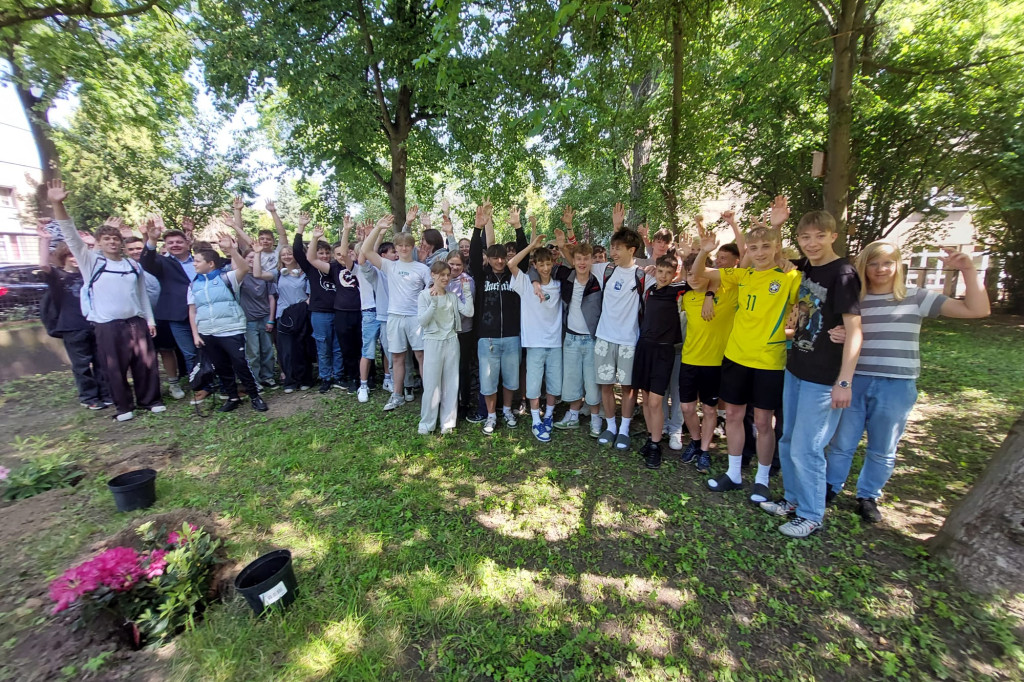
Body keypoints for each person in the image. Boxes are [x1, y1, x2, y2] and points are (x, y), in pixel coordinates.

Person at [823, 241, 990, 523]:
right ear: (863, 266)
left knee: (883, 446)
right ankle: (829, 488)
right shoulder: (854, 299)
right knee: (842, 442)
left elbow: (977, 310)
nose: (880, 269)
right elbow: (837, 331)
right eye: (873, 263)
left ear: (898, 265)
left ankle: (868, 496)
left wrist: (968, 271)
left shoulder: (916, 297)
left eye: (887, 263)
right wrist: (836, 335)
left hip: (896, 384)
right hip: (855, 379)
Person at [757, 209, 863, 538]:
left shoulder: (843, 273)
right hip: (797, 367)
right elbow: (775, 256)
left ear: (833, 236)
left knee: (808, 446)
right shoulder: (804, 268)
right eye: (805, 237)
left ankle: (811, 514)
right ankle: (792, 500)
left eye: (820, 236)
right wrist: (776, 226)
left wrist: (844, 381)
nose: (812, 243)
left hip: (824, 375)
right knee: (789, 439)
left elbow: (854, 331)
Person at [692, 197, 802, 498]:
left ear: (776, 247)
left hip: (769, 360)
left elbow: (809, 302)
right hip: (736, 357)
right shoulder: (742, 275)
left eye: (766, 247)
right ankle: (734, 473)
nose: (760, 252)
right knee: (736, 417)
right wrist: (704, 252)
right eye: (754, 248)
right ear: (747, 253)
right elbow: (700, 277)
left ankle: (763, 479)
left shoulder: (791, 277)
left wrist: (777, 225)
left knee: (765, 422)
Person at [48, 180, 164, 422]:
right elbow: (69, 233)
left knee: (145, 364)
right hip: (108, 325)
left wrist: (149, 319)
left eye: (115, 239)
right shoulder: (91, 262)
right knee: (114, 368)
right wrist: (57, 204)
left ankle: (150, 400)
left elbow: (141, 294)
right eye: (107, 239)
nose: (112, 242)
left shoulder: (132, 265)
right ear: (99, 243)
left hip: (136, 322)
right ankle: (123, 407)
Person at [188, 233, 268, 412]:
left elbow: (244, 268)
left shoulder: (226, 278)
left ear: (210, 264)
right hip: (208, 331)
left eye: (198, 261)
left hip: (231, 329)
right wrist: (196, 334)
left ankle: (255, 396)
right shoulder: (193, 285)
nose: (194, 264)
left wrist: (232, 250)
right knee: (221, 366)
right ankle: (232, 397)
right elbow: (192, 311)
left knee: (240, 363)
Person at [35, 224, 111, 410]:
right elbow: (44, 264)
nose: (74, 258)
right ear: (63, 258)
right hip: (72, 327)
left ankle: (106, 394)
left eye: (76, 254)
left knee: (101, 361)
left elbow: (99, 260)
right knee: (82, 364)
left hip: (95, 323)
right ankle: (89, 397)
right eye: (70, 255)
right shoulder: (58, 276)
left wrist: (92, 244)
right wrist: (45, 240)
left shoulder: (89, 274)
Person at [468, 200, 528, 435]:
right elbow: (473, 256)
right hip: (488, 339)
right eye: (495, 258)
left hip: (512, 337)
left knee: (511, 381)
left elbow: (523, 257)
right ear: (490, 259)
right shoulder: (483, 278)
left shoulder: (515, 277)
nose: (500, 261)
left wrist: (518, 227)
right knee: (488, 381)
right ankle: (491, 416)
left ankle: (507, 411)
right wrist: (477, 229)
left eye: (503, 257)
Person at [361, 214, 432, 411]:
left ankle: (429, 395)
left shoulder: (422, 268)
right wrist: (378, 228)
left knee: (421, 356)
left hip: (416, 319)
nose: (403, 248)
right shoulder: (389, 266)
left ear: (412, 247)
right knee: (397, 357)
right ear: (396, 248)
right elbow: (366, 251)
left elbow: (432, 292)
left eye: (406, 245)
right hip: (394, 317)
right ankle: (397, 395)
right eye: (399, 246)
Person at [594, 202, 648, 450]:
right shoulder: (605, 270)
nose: (612, 252)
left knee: (628, 388)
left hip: (629, 340)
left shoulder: (643, 274)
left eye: (617, 248)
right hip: (604, 337)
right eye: (611, 247)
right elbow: (576, 258)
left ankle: (624, 429)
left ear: (632, 250)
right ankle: (611, 427)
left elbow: (675, 270)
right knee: (605, 385)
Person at [678, 251, 737, 474]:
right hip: (689, 360)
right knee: (687, 407)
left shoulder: (729, 294)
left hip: (714, 363)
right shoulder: (687, 298)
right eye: (689, 274)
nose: (693, 278)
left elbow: (736, 272)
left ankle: (704, 450)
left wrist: (710, 295)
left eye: (698, 273)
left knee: (710, 410)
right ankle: (694, 440)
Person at [547, 209, 604, 438]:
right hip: (570, 338)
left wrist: (570, 230)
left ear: (591, 260)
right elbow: (538, 270)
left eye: (585, 259)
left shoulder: (599, 278)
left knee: (592, 380)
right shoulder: (566, 276)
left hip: (591, 339)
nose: (581, 263)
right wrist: (561, 246)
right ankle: (572, 414)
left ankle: (596, 417)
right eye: (578, 259)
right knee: (572, 378)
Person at [634, 253, 694, 468]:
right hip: (644, 348)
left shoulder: (678, 290)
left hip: (663, 352)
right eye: (660, 271)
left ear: (675, 274)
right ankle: (651, 439)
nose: (663, 276)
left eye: (669, 273)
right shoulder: (650, 290)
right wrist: (648, 269)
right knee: (646, 398)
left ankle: (657, 446)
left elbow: (698, 280)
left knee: (655, 402)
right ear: (656, 269)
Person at [139, 216, 203, 402]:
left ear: (187, 243)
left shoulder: (199, 260)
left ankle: (214, 380)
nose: (175, 245)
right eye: (170, 242)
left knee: (207, 349)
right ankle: (198, 385)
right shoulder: (161, 262)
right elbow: (146, 263)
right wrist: (151, 240)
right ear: (165, 245)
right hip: (177, 315)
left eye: (178, 241)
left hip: (204, 312)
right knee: (189, 352)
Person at [508, 230, 563, 443]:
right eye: (541, 264)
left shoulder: (559, 283)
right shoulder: (525, 283)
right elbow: (512, 264)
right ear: (535, 265)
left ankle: (548, 416)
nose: (546, 268)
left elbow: (574, 266)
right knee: (533, 385)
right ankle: (535, 420)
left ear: (553, 263)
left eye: (548, 263)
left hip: (555, 343)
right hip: (534, 344)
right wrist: (531, 246)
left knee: (553, 384)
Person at [417, 260, 474, 434]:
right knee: (432, 384)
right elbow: (422, 321)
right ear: (433, 275)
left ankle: (448, 423)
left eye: (448, 275)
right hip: (433, 341)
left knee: (451, 384)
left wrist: (466, 291)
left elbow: (469, 312)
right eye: (442, 275)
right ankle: (427, 423)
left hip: (451, 341)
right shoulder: (424, 296)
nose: (446, 278)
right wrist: (433, 303)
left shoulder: (452, 297)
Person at [306, 218, 361, 393]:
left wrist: (352, 233)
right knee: (345, 348)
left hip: (360, 311)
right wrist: (315, 238)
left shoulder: (360, 266)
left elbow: (355, 252)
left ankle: (365, 377)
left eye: (346, 253)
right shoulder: (334, 268)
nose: (343, 255)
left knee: (360, 346)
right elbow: (311, 258)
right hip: (342, 313)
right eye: (338, 254)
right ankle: (351, 377)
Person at [293, 213, 343, 393]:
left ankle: (338, 376)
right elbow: (298, 252)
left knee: (338, 346)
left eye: (326, 253)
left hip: (338, 312)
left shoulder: (336, 268)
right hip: (320, 313)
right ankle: (326, 377)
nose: (323, 256)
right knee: (323, 346)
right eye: (320, 253)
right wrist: (302, 229)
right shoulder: (311, 269)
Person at [273, 246, 312, 393]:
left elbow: (311, 292)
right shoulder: (277, 274)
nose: (287, 256)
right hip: (284, 315)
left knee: (302, 347)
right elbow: (257, 273)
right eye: (283, 254)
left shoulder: (305, 273)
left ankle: (305, 379)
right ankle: (290, 380)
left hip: (302, 312)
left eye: (290, 253)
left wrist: (305, 304)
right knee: (286, 350)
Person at [446, 249, 478, 419]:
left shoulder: (468, 281)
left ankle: (464, 403)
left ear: (464, 266)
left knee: (462, 368)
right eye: (452, 264)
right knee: (448, 368)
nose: (455, 267)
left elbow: (467, 308)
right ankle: (449, 402)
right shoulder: (441, 280)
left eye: (459, 264)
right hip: (445, 333)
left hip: (463, 331)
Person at [244, 245, 279, 390]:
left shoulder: (266, 276)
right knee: (253, 352)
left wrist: (271, 319)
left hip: (265, 317)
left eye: (256, 256)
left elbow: (272, 299)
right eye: (250, 257)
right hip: (249, 319)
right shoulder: (240, 276)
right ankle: (255, 379)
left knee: (267, 350)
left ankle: (268, 376)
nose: (253, 259)